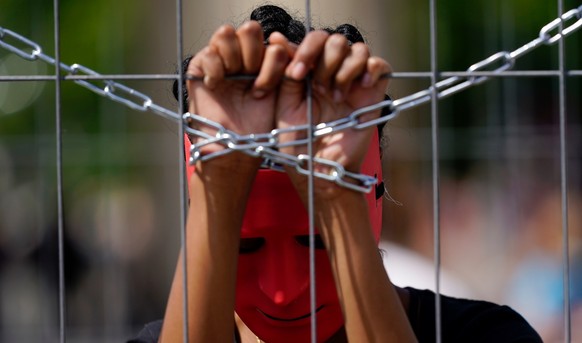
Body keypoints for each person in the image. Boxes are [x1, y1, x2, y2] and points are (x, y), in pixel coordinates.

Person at [129, 5, 542, 343]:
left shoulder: (486, 337)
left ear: (373, 194)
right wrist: (218, 183)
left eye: (316, 241)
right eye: (246, 246)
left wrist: (336, 190)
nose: (283, 291)